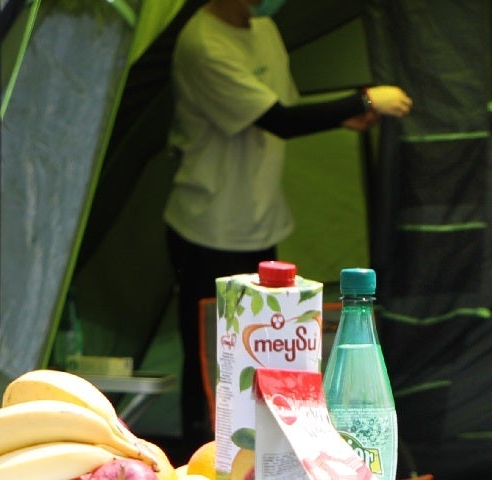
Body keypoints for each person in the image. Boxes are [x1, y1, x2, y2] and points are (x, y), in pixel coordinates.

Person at [164, 0, 412, 449]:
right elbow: (276, 120)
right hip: (209, 226)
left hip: (261, 221)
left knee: (265, 351)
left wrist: (345, 116)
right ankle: (198, 456)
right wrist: (363, 100)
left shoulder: (265, 31)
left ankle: (264, 455)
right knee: (212, 358)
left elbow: (286, 105)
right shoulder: (202, 44)